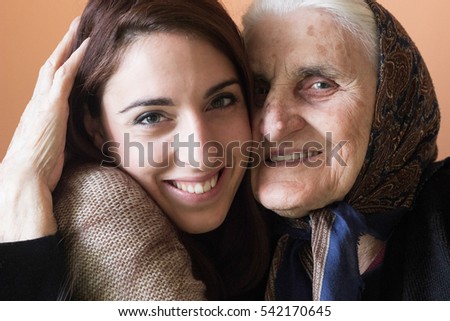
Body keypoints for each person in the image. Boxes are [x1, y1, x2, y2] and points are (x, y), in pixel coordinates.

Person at [0, 0, 271, 300]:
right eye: (151, 117)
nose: (201, 152)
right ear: (96, 130)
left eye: (220, 101)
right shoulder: (100, 206)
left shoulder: (278, 195)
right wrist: (20, 184)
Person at [242, 0, 450, 300]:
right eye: (259, 89)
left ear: (392, 100)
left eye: (320, 85)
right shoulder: (218, 239)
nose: (272, 126)